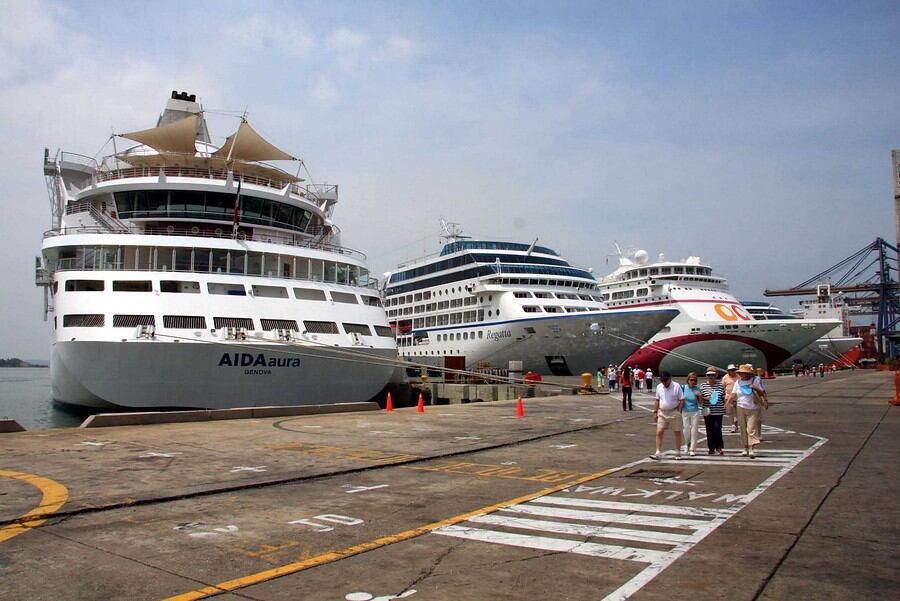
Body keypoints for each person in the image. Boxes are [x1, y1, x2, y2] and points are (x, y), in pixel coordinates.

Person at [726, 364, 769, 457]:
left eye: (744, 373)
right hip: (740, 407)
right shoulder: (738, 382)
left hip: (753, 408)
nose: (742, 375)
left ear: (748, 374)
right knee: (743, 429)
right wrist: (727, 403)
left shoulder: (755, 380)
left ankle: (751, 448)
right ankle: (745, 447)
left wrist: (755, 388)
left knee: (751, 429)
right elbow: (733, 394)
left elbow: (762, 392)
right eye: (741, 373)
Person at [652, 371, 684, 460]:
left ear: (670, 378)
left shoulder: (676, 386)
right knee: (659, 431)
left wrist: (679, 411)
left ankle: (678, 451)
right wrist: (655, 412)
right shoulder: (659, 387)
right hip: (662, 412)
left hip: (674, 411)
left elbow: (681, 399)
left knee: (677, 431)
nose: (664, 383)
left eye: (666, 380)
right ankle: (658, 451)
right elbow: (657, 400)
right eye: (662, 381)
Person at [699, 366, 726, 455]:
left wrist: (725, 405)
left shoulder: (720, 385)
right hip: (707, 410)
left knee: (717, 429)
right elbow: (700, 398)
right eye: (709, 375)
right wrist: (705, 398)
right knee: (709, 430)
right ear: (707, 376)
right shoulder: (703, 385)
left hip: (718, 410)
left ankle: (719, 447)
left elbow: (723, 396)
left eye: (713, 375)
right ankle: (711, 448)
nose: (711, 377)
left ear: (716, 375)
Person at [680, 372, 702, 456]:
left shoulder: (697, 389)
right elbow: (680, 399)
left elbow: (700, 403)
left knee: (694, 430)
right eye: (691, 380)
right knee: (686, 430)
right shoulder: (683, 388)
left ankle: (692, 448)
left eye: (695, 380)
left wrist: (699, 396)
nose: (693, 382)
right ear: (688, 380)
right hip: (685, 411)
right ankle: (686, 444)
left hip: (695, 411)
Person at [722, 364, 739, 433]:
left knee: (738, 412)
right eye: (730, 370)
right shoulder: (725, 377)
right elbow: (722, 387)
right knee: (730, 412)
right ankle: (733, 425)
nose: (731, 371)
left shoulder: (738, 377)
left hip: (738, 397)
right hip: (728, 397)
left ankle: (736, 422)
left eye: (733, 370)